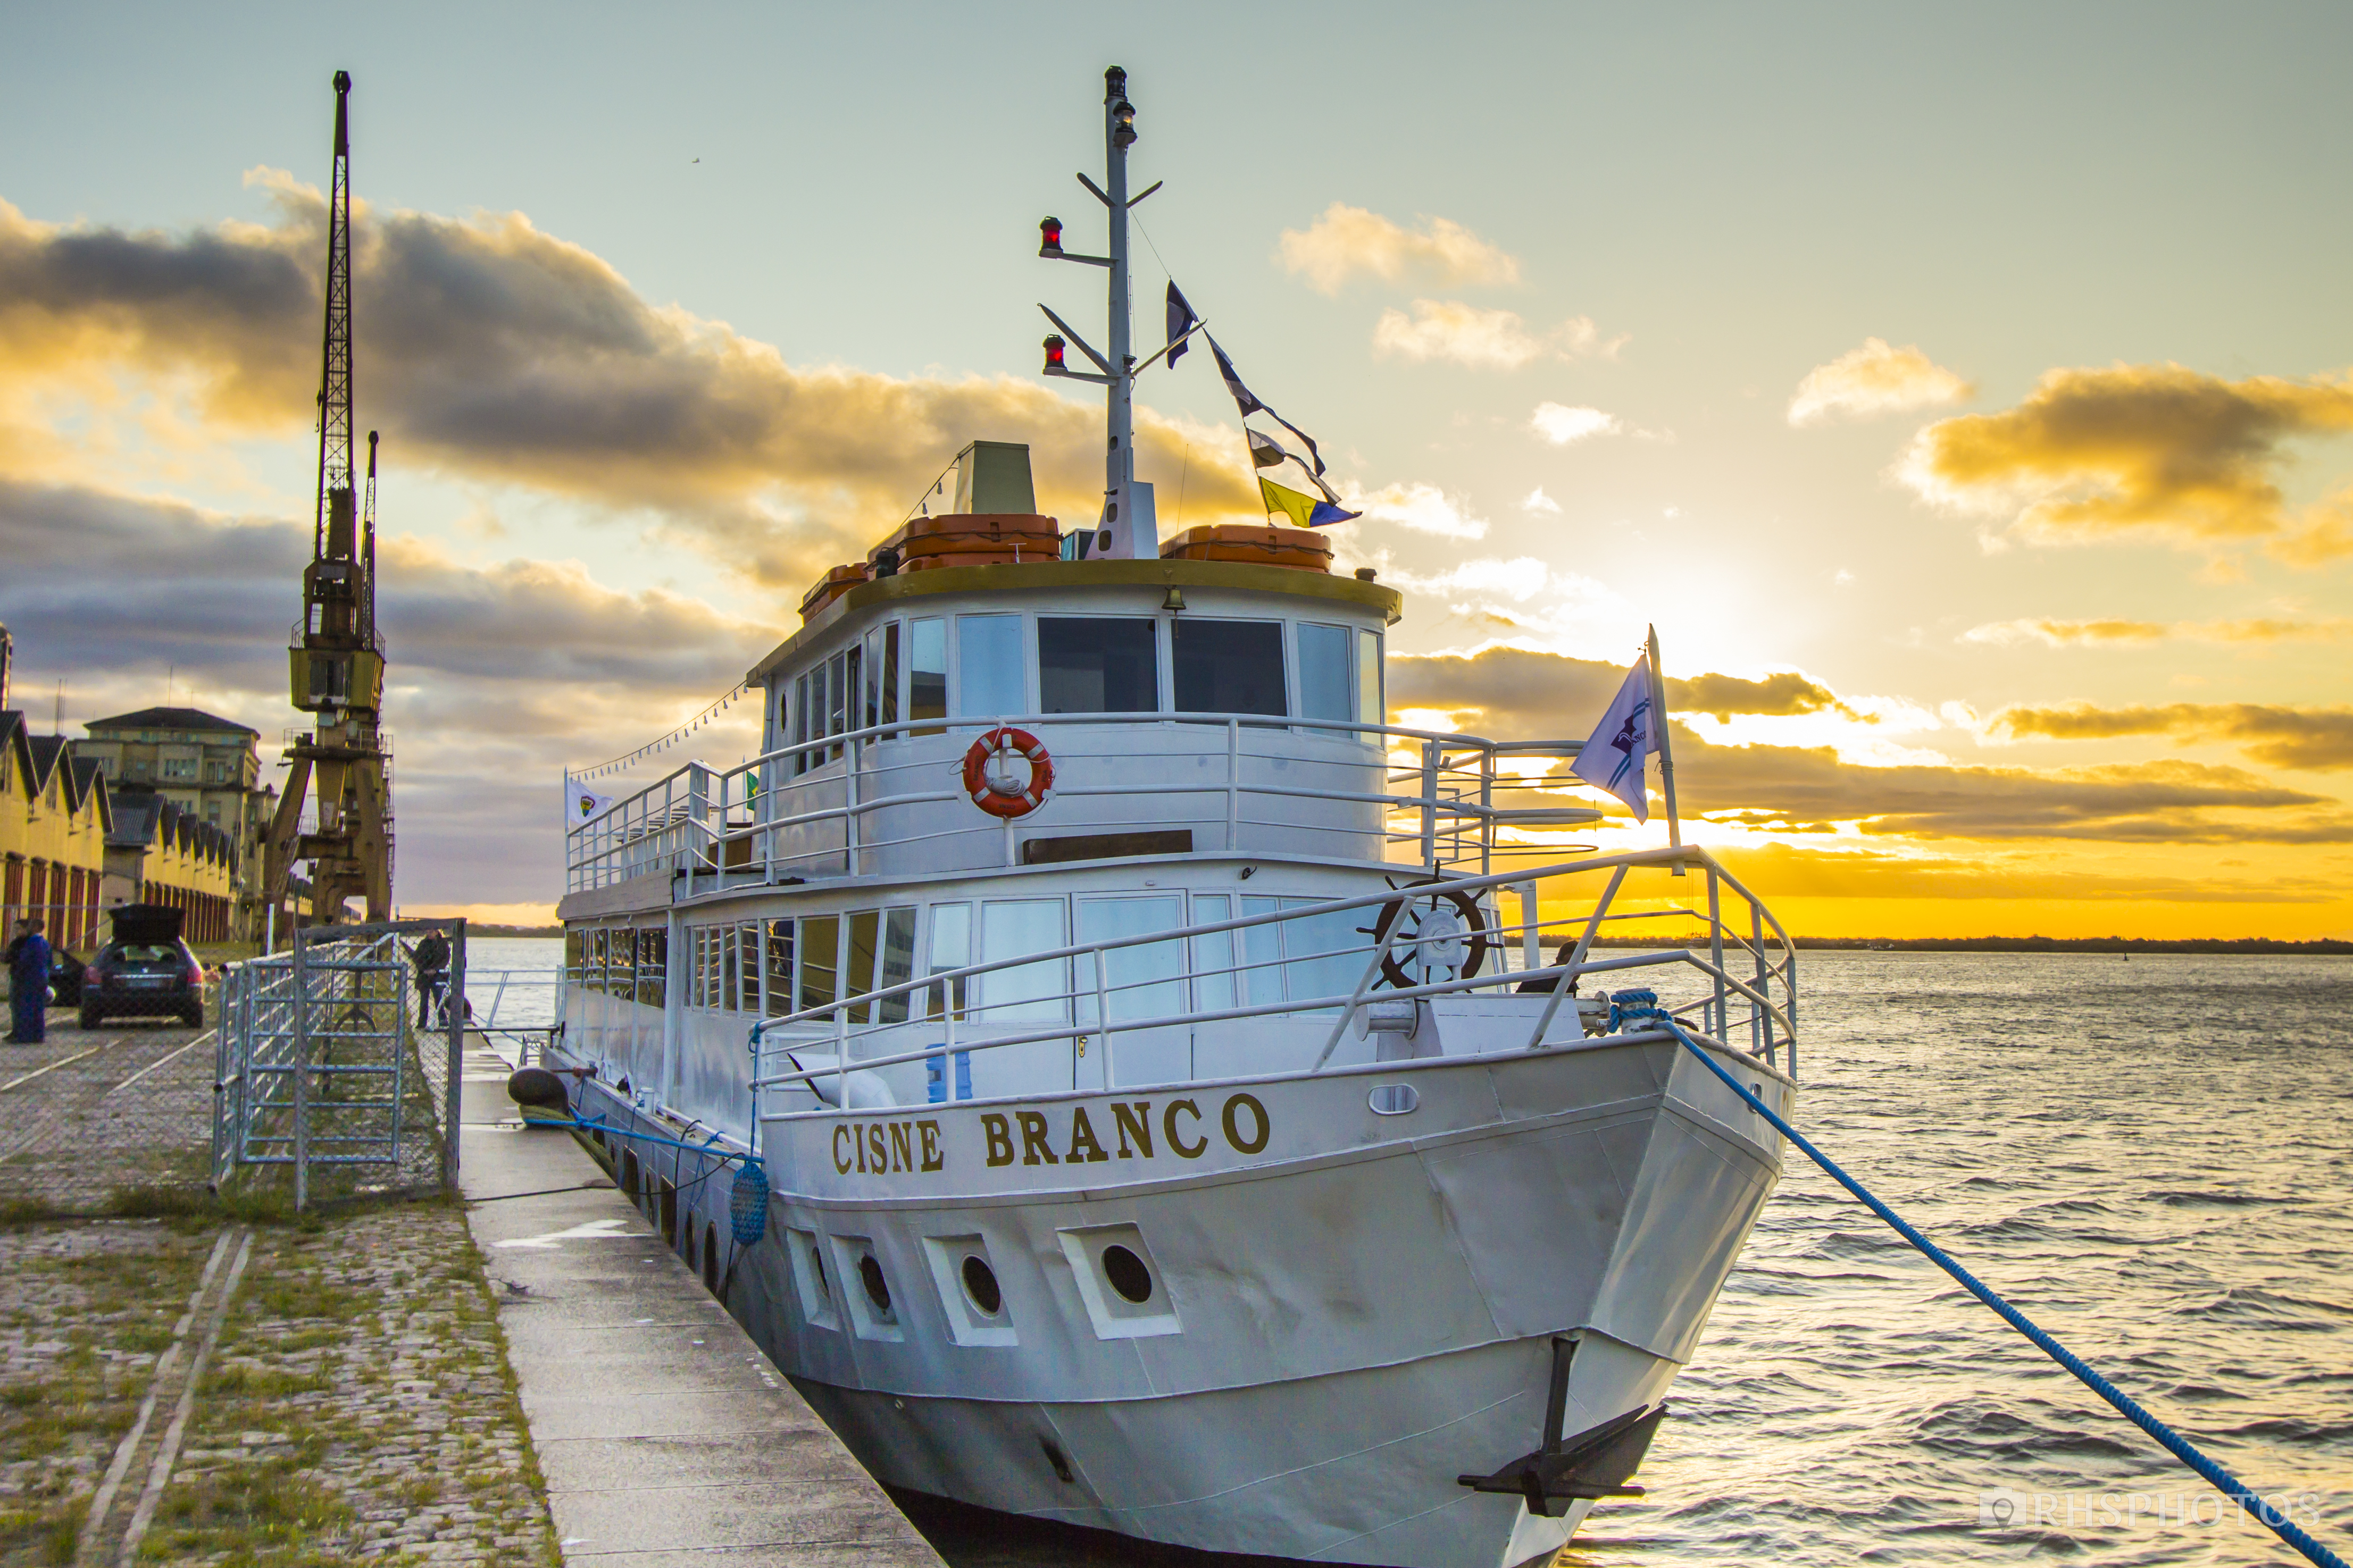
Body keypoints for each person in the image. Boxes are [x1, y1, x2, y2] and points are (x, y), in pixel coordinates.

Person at [6, 916, 53, 1044]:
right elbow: (50, 962)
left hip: (29, 979)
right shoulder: (45, 943)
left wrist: (18, 972)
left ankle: (24, 1037)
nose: (29, 928)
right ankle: (39, 1036)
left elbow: (24, 960)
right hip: (42, 977)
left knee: (26, 1007)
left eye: (32, 925)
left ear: (37, 927)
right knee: (39, 1007)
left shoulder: (32, 942)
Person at [407, 931, 451, 1027]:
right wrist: (424, 970)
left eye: (432, 931)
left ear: (437, 932)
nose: (430, 933)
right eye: (428, 931)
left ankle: (443, 1021)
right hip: (424, 975)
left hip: (438, 974)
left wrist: (436, 970)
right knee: (424, 1000)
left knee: (438, 998)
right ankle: (422, 1023)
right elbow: (417, 958)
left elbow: (446, 958)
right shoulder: (423, 943)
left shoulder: (443, 944)